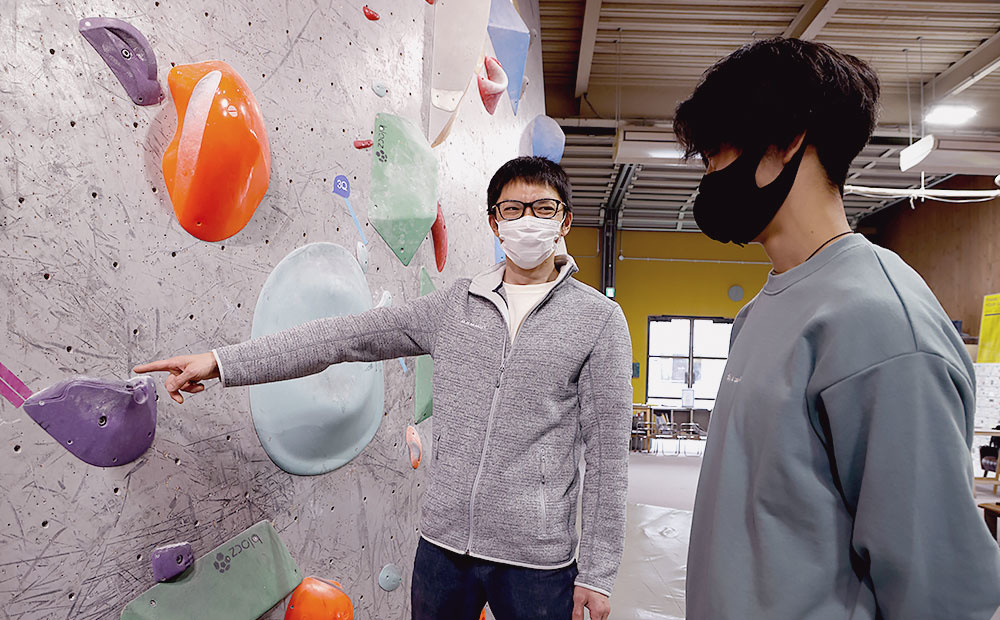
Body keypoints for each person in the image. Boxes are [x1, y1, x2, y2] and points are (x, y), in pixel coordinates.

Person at [134, 156, 632, 620]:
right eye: (512, 209)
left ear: (564, 222)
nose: (527, 221)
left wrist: (598, 573)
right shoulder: (453, 306)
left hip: (537, 562)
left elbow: (608, 456)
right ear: (494, 222)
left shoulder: (598, 320)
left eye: (543, 208)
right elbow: (342, 336)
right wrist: (221, 362)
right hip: (443, 550)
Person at [673, 37, 1000, 619]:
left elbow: (942, 594)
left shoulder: (880, 324)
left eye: (716, 151)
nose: (710, 174)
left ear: (787, 141)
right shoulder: (760, 312)